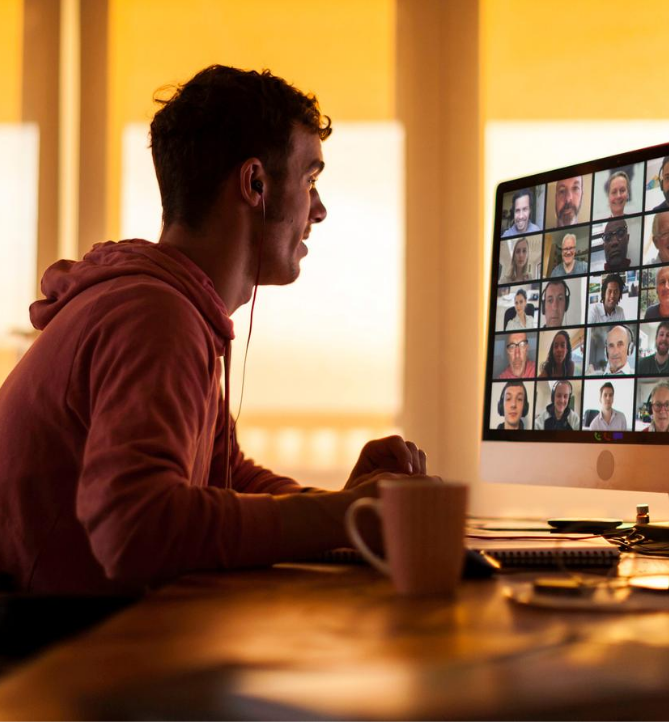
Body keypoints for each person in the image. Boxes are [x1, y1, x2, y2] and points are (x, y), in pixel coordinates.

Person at [0, 65, 428, 595]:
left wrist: (347, 500)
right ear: (255, 184)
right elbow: (135, 528)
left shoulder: (160, 305)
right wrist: (348, 513)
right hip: (52, 659)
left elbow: (225, 479)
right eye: (310, 179)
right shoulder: (155, 317)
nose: (319, 209)